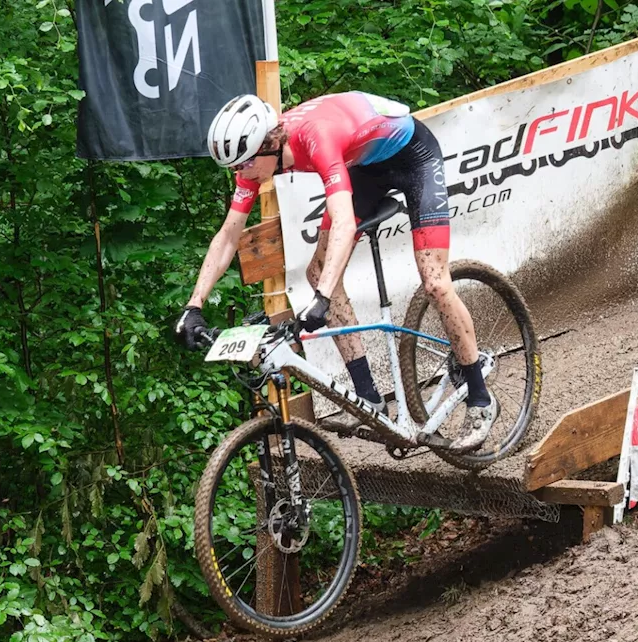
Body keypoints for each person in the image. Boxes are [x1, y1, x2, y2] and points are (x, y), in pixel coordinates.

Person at [173, 93, 495, 451]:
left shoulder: (316, 137)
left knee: (434, 282)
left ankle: (480, 399)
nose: (239, 174)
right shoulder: (257, 163)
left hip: (414, 158)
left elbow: (342, 221)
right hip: (365, 169)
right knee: (318, 274)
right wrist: (194, 304)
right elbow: (229, 234)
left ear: (268, 145)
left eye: (243, 165)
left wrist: (323, 298)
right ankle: (368, 398)